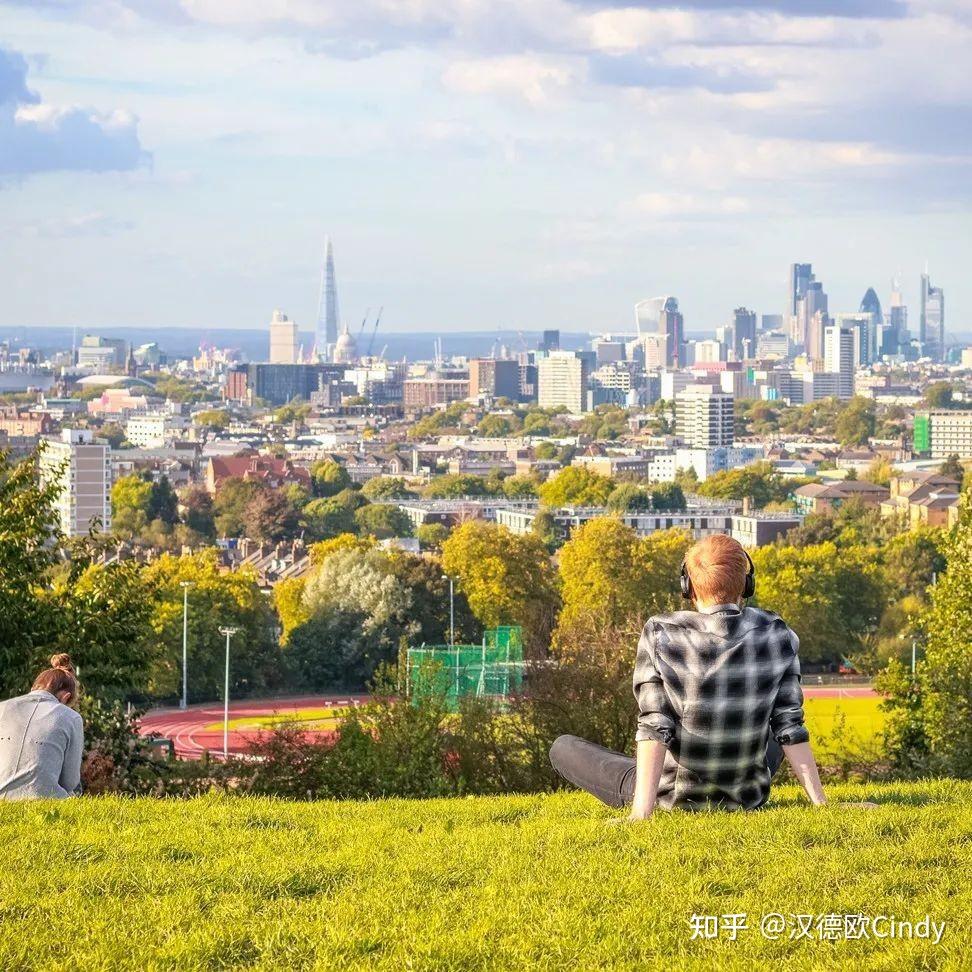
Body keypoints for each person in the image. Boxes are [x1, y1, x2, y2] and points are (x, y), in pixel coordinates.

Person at [549, 534, 826, 817]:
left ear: (688, 587)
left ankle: (646, 794)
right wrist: (821, 804)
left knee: (563, 747)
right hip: (746, 796)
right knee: (773, 725)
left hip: (675, 797)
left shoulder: (661, 633)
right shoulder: (776, 631)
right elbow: (789, 726)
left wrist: (640, 814)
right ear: (746, 584)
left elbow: (655, 727)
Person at [0, 654, 84, 801]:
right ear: (65, 697)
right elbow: (70, 782)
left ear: (34, 687)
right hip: (42, 799)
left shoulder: (3, 707)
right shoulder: (72, 717)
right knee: (75, 793)